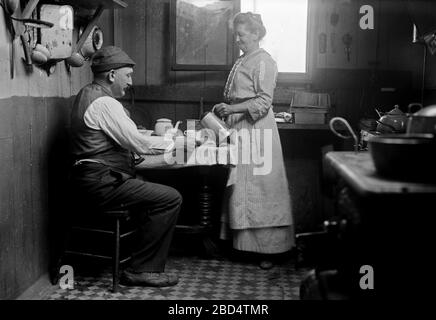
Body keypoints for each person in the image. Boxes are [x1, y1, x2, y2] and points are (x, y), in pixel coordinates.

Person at [69, 46, 182, 287]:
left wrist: (168, 154)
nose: (130, 82)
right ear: (111, 75)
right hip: (100, 183)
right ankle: (142, 270)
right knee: (170, 197)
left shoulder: (86, 94)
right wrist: (179, 143)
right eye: (128, 75)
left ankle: (140, 261)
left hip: (92, 179)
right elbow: (139, 143)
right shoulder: (106, 104)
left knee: (146, 186)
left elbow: (126, 148)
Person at [214, 12, 294, 269]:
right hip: (241, 128)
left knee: (262, 187)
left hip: (258, 130)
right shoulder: (244, 60)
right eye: (235, 34)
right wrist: (227, 108)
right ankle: (244, 247)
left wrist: (232, 109)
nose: (237, 39)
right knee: (241, 186)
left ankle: (270, 251)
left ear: (257, 34)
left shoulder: (264, 62)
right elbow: (238, 96)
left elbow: (263, 101)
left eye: (242, 34)